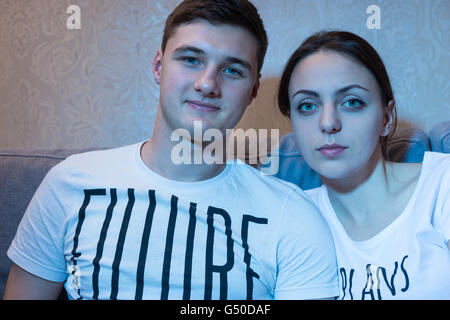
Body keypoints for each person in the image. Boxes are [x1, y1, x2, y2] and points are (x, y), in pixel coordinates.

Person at [3, 1, 339, 300]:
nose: (207, 84)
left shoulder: (291, 215)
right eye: (191, 59)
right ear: (158, 66)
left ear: (252, 90)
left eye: (231, 69)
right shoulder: (70, 183)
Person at [276, 30, 450, 299]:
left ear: (386, 118)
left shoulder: (441, 185)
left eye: (352, 102)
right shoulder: (291, 219)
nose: (328, 123)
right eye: (308, 106)